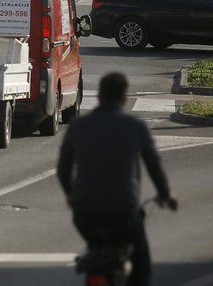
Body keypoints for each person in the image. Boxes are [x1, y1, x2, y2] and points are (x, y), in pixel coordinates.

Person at [57, 72, 178, 286]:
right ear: (123, 98)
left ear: (99, 96)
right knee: (142, 264)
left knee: (95, 246)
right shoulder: (135, 127)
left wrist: (71, 196)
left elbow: (63, 169)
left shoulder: (78, 126)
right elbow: (154, 165)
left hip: (85, 215)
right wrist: (165, 194)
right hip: (124, 213)